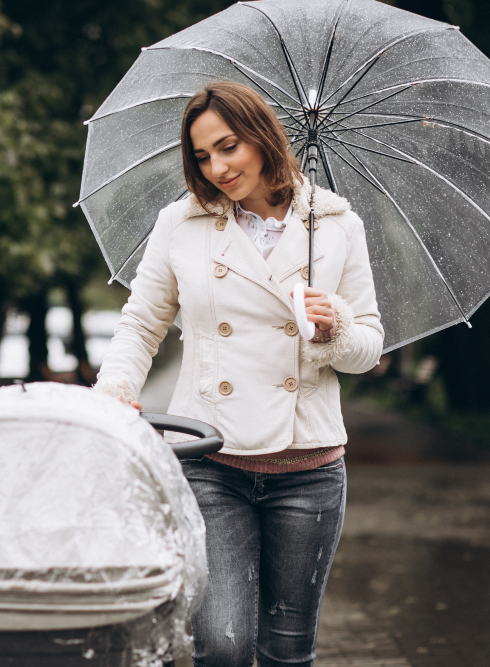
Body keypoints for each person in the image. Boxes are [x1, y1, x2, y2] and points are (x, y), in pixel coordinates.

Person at [92, 81, 383, 667]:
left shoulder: (335, 224)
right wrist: (113, 395)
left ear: (262, 137)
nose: (217, 168)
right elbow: (142, 323)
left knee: (287, 651)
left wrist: (334, 330)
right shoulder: (181, 223)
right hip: (210, 459)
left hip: (309, 468)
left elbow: (368, 349)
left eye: (228, 147)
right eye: (202, 156)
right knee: (222, 646)